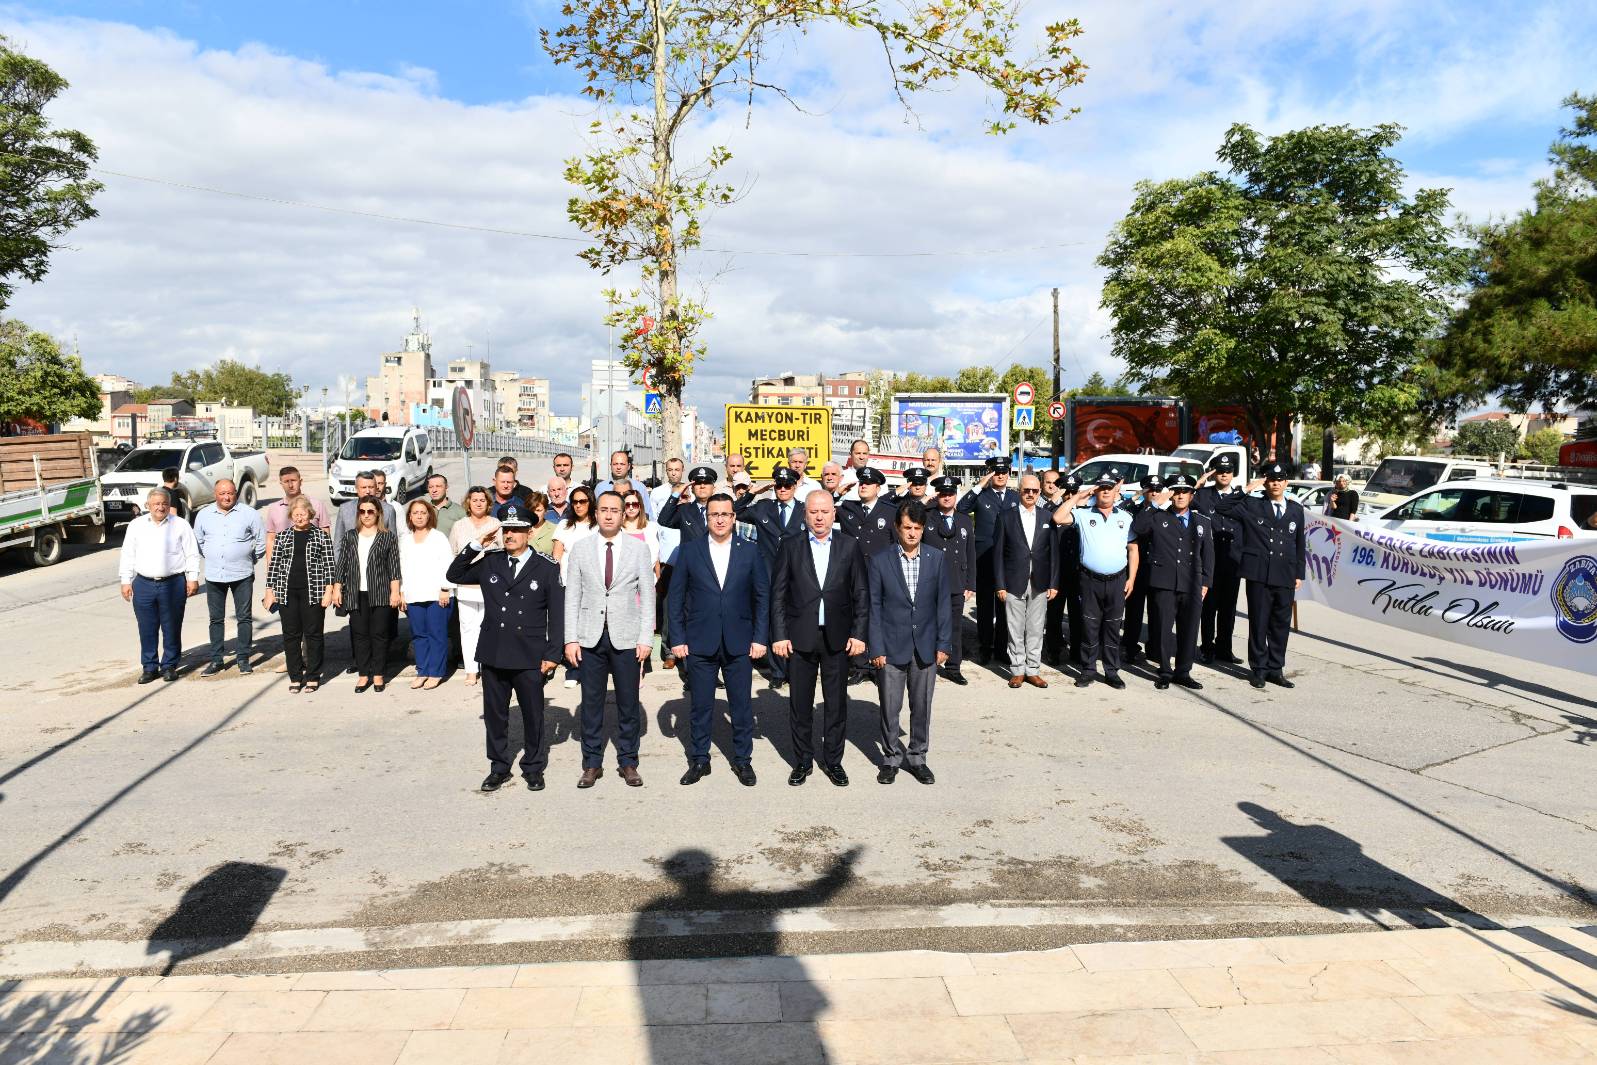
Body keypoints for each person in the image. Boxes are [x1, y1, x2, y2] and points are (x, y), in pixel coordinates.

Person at [447, 501, 563, 792]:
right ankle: (498, 767)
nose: (509, 535)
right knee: (496, 716)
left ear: (529, 532)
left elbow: (558, 615)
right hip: (495, 651)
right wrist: (476, 545)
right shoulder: (490, 561)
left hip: (529, 654)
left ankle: (534, 767)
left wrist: (552, 654)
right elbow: (455, 574)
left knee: (533, 714)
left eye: (516, 530)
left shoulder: (546, 567)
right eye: (506, 529)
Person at [667, 493, 769, 787]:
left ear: (734, 517)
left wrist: (760, 637)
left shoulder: (749, 551)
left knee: (741, 706)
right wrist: (678, 637)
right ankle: (699, 759)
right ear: (706, 518)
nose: (721, 519)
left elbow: (761, 597)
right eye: (714, 514)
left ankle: (743, 760)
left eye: (726, 514)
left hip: (740, 641)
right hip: (700, 641)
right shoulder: (690, 551)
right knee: (700, 706)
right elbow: (676, 598)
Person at [771, 490, 868, 787]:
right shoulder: (790, 546)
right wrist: (779, 634)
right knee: (800, 704)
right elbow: (778, 594)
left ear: (834, 513)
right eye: (813, 511)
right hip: (800, 637)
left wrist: (859, 634)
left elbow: (861, 594)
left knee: (836, 704)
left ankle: (833, 761)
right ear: (805, 514)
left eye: (825, 511)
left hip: (837, 638)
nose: (819, 517)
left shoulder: (849, 546)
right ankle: (802, 761)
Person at [564, 491, 655, 788]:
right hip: (589, 637)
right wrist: (570, 639)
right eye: (603, 509)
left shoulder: (638, 550)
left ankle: (628, 761)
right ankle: (591, 763)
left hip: (627, 637)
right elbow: (572, 596)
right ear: (596, 512)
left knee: (628, 703)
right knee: (591, 703)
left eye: (615, 510)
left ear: (623, 513)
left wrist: (646, 639)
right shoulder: (580, 548)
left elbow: (648, 596)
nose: (609, 515)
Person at [867, 500, 949, 785]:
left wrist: (944, 644)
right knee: (890, 706)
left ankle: (917, 757)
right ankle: (890, 758)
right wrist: (875, 648)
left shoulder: (936, 558)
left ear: (923, 529)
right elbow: (874, 607)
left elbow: (943, 606)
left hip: (926, 646)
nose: (912, 534)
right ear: (897, 528)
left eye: (917, 528)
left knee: (922, 705)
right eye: (906, 528)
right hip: (890, 647)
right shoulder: (880, 561)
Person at [1218, 462, 1306, 689]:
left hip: (1285, 574)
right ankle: (1258, 669)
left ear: (1286, 483)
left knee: (1280, 625)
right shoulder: (1253, 505)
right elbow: (1223, 507)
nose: (1275, 483)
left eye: (1279, 479)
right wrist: (1246, 489)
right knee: (1259, 623)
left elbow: (1299, 544)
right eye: (1271, 479)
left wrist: (1299, 573)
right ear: (1265, 483)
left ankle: (1276, 669)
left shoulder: (1296, 509)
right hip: (1259, 574)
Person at [1129, 473, 1213, 690]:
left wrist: (1205, 582)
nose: (1180, 495)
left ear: (1192, 495)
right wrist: (1154, 503)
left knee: (1189, 629)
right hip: (1163, 582)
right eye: (1176, 491)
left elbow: (1208, 555)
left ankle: (1183, 671)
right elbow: (1138, 529)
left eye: (1185, 491)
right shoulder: (1158, 516)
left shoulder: (1202, 522)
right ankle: (1165, 670)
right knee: (1163, 630)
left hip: (1192, 583)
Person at [1053, 471, 1135, 689]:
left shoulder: (1125, 517)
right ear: (1095, 491)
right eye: (1101, 487)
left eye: (1109, 487)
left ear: (1116, 492)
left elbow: (1133, 549)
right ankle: (1088, 670)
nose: (1105, 491)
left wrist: (1132, 579)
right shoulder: (1082, 514)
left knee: (1112, 628)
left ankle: (1111, 671)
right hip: (1090, 581)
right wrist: (1080, 495)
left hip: (1118, 580)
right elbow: (1058, 517)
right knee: (1089, 627)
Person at [733, 466, 808, 690]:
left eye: (787, 485)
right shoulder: (763, 507)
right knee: (771, 623)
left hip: (796, 576)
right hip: (768, 575)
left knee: (795, 622)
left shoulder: (804, 510)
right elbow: (735, 510)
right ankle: (777, 671)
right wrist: (754, 492)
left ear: (795, 487)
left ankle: (794, 669)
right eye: (778, 485)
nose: (783, 489)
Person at [119, 487, 200, 683]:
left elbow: (191, 553)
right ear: (148, 506)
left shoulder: (180, 525)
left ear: (169, 505)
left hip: (172, 584)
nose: (160, 507)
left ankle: (170, 665)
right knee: (147, 627)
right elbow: (128, 554)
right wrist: (125, 581)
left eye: (164, 503)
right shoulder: (136, 526)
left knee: (171, 626)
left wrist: (193, 577)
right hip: (144, 584)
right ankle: (149, 667)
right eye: (156, 504)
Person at [193, 478, 266, 675]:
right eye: (222, 493)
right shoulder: (204, 515)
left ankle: (243, 658)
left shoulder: (249, 513)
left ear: (235, 493)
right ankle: (216, 660)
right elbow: (198, 541)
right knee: (215, 619)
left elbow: (261, 541)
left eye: (230, 493)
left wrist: (249, 558)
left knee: (244, 617)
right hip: (215, 575)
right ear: (215, 495)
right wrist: (214, 556)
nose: (226, 497)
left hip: (242, 573)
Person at [263, 496, 335, 692]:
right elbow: (274, 566)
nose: (300, 517)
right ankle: (295, 676)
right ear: (291, 516)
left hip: (314, 591)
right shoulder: (283, 536)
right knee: (291, 635)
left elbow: (329, 566)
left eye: (303, 514)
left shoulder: (320, 535)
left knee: (313, 635)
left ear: (310, 514)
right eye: (296, 515)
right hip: (287, 592)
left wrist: (329, 591)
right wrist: (270, 591)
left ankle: (313, 675)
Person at [330, 496, 402, 692]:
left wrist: (395, 592)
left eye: (370, 511)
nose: (366, 515)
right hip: (355, 593)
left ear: (378, 512)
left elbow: (394, 568)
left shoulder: (387, 537)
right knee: (360, 635)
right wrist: (337, 588)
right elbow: (342, 565)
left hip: (380, 592)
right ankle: (363, 675)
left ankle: (378, 674)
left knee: (379, 635)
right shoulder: (350, 536)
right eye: (362, 511)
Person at [995, 473, 1057, 688]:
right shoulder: (1006, 516)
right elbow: (998, 553)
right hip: (1013, 581)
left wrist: (1054, 583)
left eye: (1035, 491)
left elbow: (1054, 554)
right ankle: (1017, 670)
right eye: (1026, 490)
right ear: (1019, 491)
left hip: (1040, 581)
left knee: (1036, 628)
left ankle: (1033, 670)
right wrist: (1000, 584)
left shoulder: (1047, 517)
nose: (1030, 494)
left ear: (1039, 492)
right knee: (1014, 628)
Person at [957, 457, 1017, 664]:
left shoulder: (1014, 497)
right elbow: (961, 508)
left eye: (1004, 471)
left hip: (1007, 560)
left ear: (1009, 473)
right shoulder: (982, 496)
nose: (1000, 475)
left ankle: (1001, 648)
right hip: (984, 558)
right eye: (996, 472)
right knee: (984, 607)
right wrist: (980, 485)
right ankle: (985, 647)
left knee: (1004, 606)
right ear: (990, 474)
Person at [1193, 455, 1246, 665]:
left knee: (1228, 608)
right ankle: (1206, 648)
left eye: (1228, 471)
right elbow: (1184, 499)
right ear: (1214, 473)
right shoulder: (1204, 495)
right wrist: (1198, 483)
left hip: (1232, 559)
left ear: (1233, 473)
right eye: (1220, 471)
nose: (1224, 474)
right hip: (1210, 560)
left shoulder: (1242, 497)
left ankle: (1225, 648)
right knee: (1209, 608)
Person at [398, 498, 455, 689]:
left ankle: (436, 672)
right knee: (419, 635)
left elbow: (447, 564)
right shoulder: (405, 540)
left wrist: (445, 589)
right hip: (414, 594)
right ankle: (422, 670)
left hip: (436, 594)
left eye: (423, 512)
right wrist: (403, 592)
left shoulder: (438, 537)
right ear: (410, 517)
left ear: (429, 515)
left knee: (436, 634)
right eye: (415, 513)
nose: (419, 516)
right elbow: (403, 568)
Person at [449, 486, 503, 686]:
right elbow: (454, 556)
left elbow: (502, 553)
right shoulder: (459, 525)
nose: (478, 503)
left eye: (482, 500)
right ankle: (472, 670)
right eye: (474, 500)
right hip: (466, 587)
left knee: (489, 628)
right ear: (468, 503)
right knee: (468, 629)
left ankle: (489, 666)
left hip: (490, 587)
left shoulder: (496, 524)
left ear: (488, 504)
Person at [924, 475, 975, 684]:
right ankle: (927, 665)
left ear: (956, 495)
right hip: (930, 582)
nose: (947, 497)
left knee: (954, 627)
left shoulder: (964, 519)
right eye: (943, 494)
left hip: (956, 581)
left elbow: (970, 552)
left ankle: (954, 667)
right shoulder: (926, 517)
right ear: (937, 495)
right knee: (929, 625)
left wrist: (970, 583)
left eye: (950, 494)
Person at [552, 485, 598, 689]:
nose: (579, 505)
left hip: (593, 585)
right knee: (571, 628)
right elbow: (556, 556)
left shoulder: (598, 527)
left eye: (583, 501)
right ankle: (573, 669)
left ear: (590, 502)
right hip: (568, 584)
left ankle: (590, 668)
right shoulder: (564, 525)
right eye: (575, 502)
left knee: (589, 628)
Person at [1121, 473, 1170, 665]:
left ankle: (1155, 648)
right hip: (1138, 568)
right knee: (1134, 611)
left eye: (1159, 489)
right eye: (1151, 490)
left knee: (1158, 611)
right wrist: (1140, 499)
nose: (1155, 493)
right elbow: (1138, 527)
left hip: (1159, 568)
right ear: (1145, 491)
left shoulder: (1166, 511)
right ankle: (1130, 647)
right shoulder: (1135, 509)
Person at [261, 466, 330, 575]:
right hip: (284, 570)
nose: (290, 485)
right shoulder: (274, 509)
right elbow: (271, 540)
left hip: (313, 569)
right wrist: (270, 570)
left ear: (300, 481)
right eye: (286, 481)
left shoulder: (317, 505)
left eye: (293, 480)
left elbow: (326, 538)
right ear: (281, 484)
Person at [1048, 473, 1086, 667]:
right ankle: (1054, 650)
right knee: (1054, 614)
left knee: (1077, 615)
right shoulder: (1052, 512)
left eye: (1074, 491)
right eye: (1066, 492)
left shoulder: (1086, 514)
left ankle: (1077, 652)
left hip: (1079, 573)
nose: (1070, 495)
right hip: (1057, 572)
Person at [332, 471, 399, 566]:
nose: (368, 491)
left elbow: (393, 546)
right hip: (351, 570)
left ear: (376, 488)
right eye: (364, 487)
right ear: (356, 489)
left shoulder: (388, 510)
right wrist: (340, 570)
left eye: (371, 487)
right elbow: (338, 544)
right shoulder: (345, 509)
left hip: (378, 571)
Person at [595, 450, 656, 517]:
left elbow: (647, 514)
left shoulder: (639, 487)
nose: (618, 467)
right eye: (615, 464)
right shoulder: (600, 488)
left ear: (629, 466)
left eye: (622, 464)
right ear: (611, 465)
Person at [527, 491, 558, 556]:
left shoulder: (554, 529)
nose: (535, 514)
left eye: (538, 510)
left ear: (546, 511)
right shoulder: (521, 528)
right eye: (531, 510)